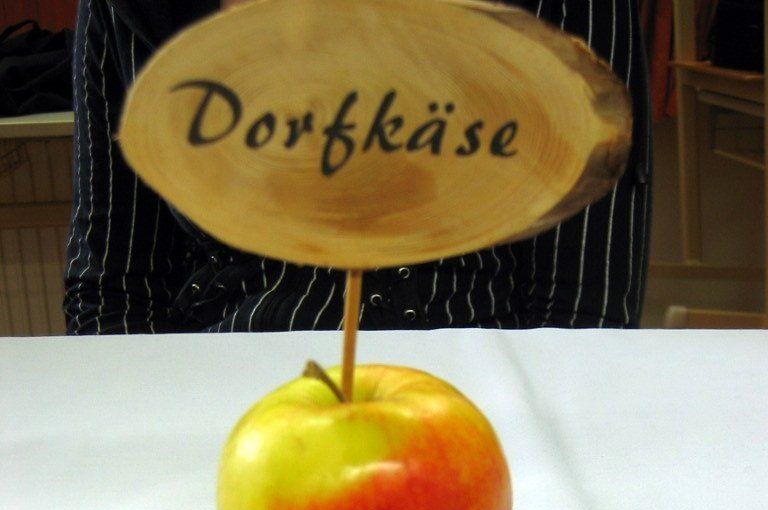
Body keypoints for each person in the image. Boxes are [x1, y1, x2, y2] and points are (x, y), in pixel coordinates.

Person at [64, 0, 652, 334]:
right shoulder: (132, 8)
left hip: (480, 399)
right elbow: (113, 281)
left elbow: (585, 297)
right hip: (221, 403)